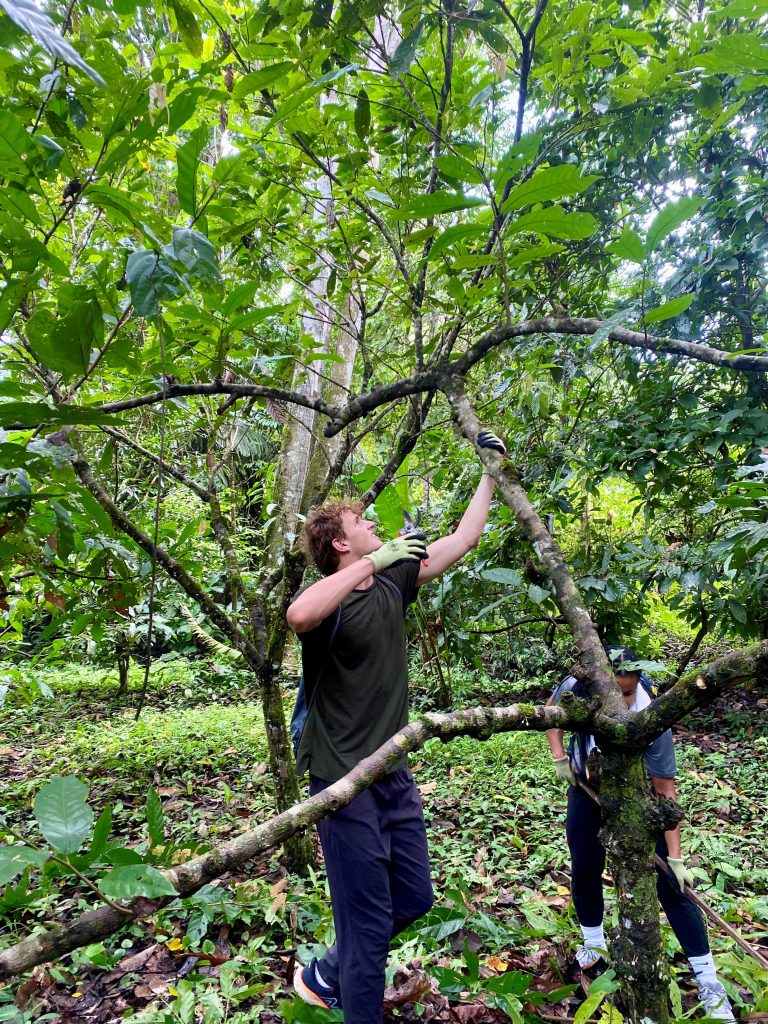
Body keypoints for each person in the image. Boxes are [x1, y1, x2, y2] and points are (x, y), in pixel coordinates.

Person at [287, 430, 505, 1022]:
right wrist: (376, 560)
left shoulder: (393, 580)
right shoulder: (330, 600)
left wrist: (490, 471)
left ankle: (325, 971)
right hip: (341, 782)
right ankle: (348, 980)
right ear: (340, 541)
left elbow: (464, 538)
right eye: (363, 523)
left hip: (392, 770)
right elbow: (299, 613)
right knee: (368, 937)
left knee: (413, 898)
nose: (375, 528)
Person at [545, 646, 735, 1020]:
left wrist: (676, 856)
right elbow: (551, 718)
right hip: (587, 789)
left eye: (627, 689)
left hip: (638, 797)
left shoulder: (652, 716)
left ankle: (709, 984)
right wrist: (559, 758)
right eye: (613, 687)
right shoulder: (578, 687)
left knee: (673, 888)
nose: (620, 695)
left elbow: (665, 788)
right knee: (585, 864)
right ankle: (594, 945)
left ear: (637, 682)